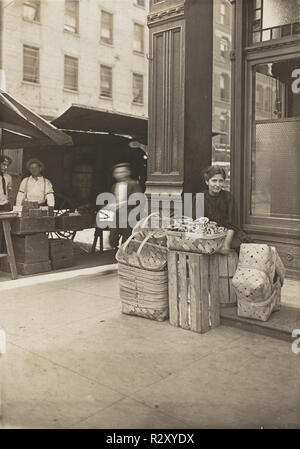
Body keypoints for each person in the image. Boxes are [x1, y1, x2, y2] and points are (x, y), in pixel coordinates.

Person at [193, 165, 251, 254]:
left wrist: (226, 244)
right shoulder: (199, 198)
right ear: (207, 182)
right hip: (206, 236)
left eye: (221, 181)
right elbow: (196, 225)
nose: (217, 184)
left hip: (227, 235)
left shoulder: (228, 198)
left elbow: (232, 225)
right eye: (214, 181)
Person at [109, 162, 142, 249]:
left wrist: (121, 204)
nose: (120, 175)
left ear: (128, 172)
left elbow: (137, 199)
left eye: (122, 172)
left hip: (130, 215)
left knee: (127, 238)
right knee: (112, 237)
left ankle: (125, 255)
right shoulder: (114, 186)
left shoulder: (134, 184)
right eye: (117, 173)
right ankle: (115, 251)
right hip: (117, 215)